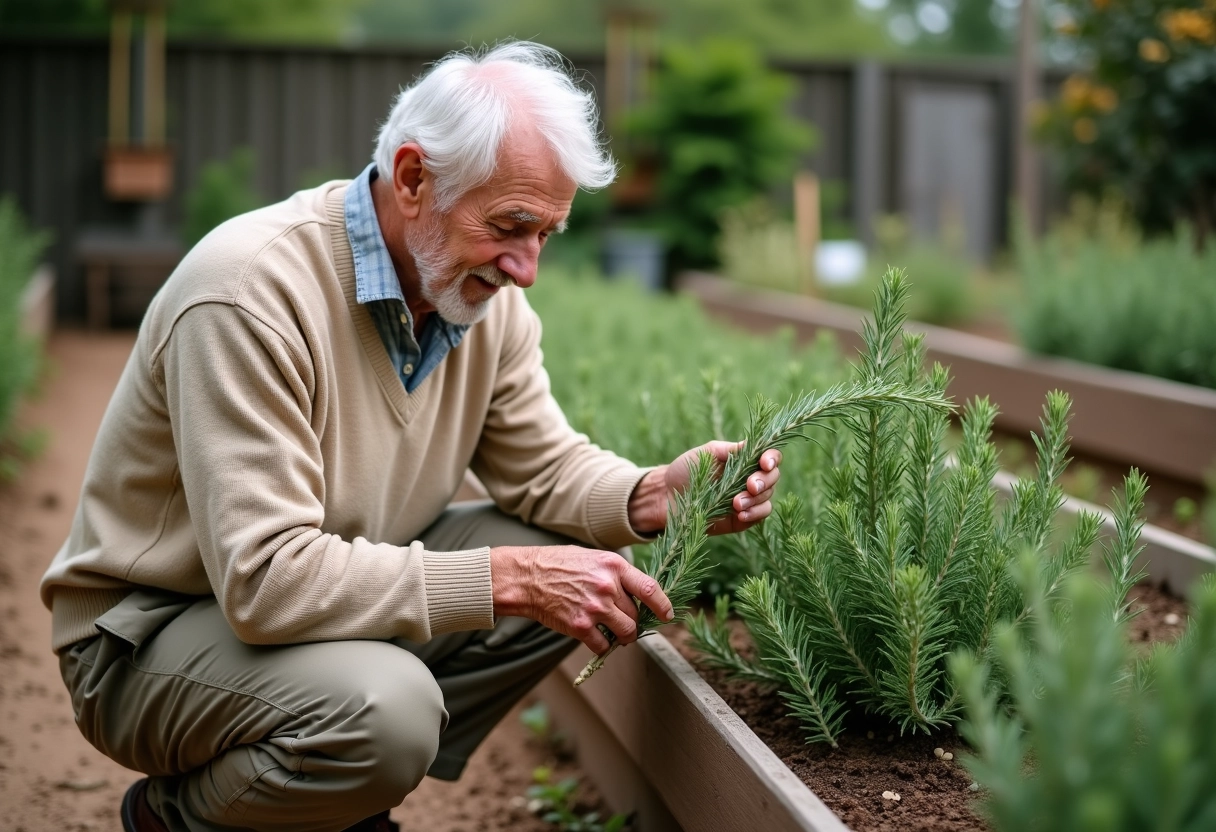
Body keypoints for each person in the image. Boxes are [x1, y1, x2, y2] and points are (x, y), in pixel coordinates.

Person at [40, 42, 783, 832]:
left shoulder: (475, 299)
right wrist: (514, 578)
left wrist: (651, 493)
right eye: (510, 225)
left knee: (578, 553)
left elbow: (541, 469)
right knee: (390, 711)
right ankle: (181, 816)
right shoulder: (249, 294)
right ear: (412, 178)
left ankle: (331, 796)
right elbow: (265, 582)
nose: (526, 268)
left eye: (548, 234)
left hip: (304, 605)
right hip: (152, 637)